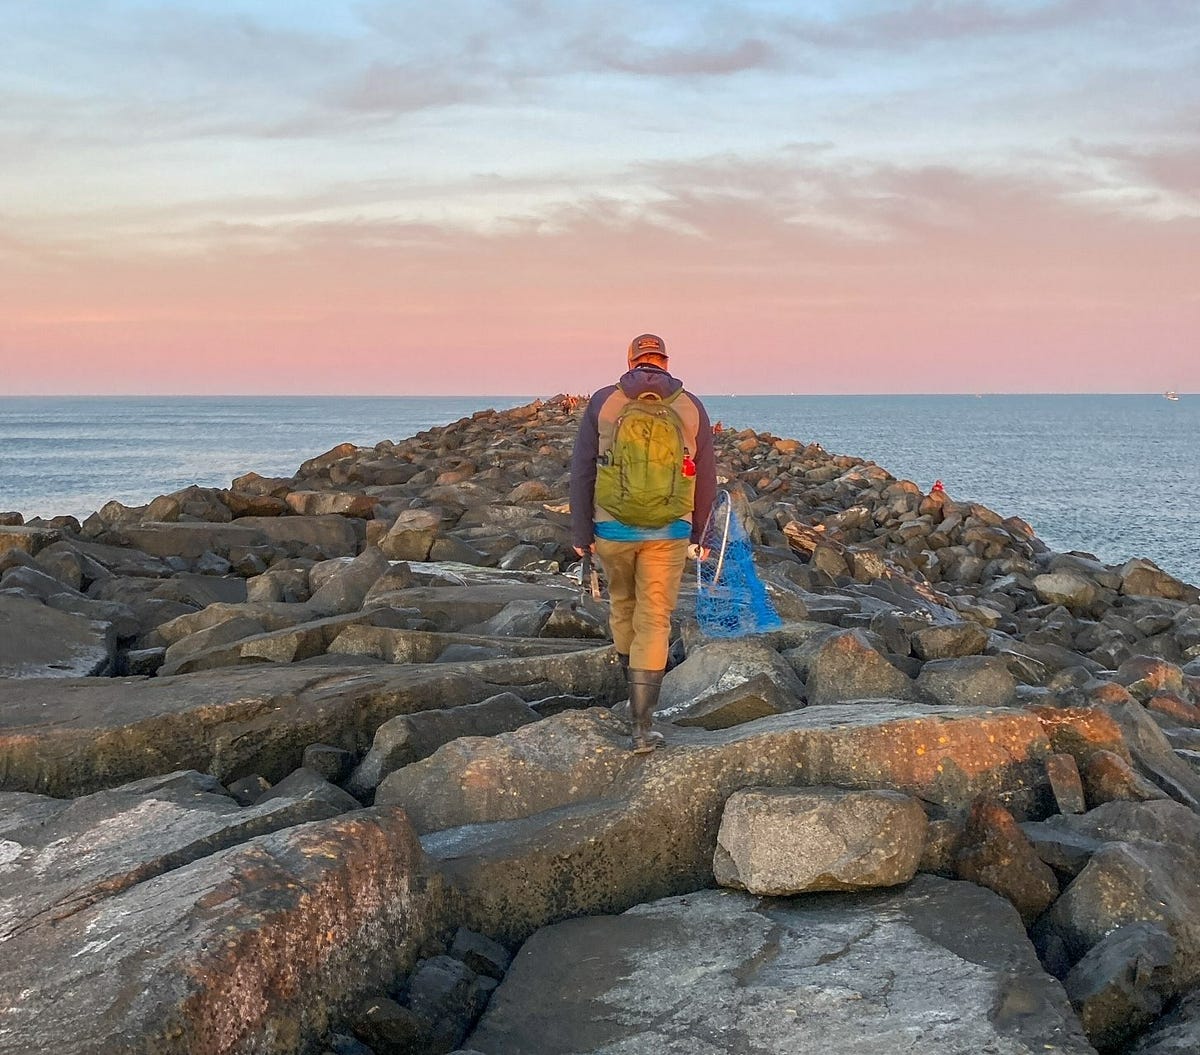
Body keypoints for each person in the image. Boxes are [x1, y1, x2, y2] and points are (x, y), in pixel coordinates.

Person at [570, 333, 717, 753]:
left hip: (613, 528)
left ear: (631, 361)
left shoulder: (604, 401)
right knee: (655, 616)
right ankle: (642, 727)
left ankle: (627, 688)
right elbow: (705, 476)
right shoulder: (691, 406)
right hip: (669, 530)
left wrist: (582, 533)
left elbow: (582, 471)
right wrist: (699, 534)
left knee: (623, 606)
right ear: (664, 363)